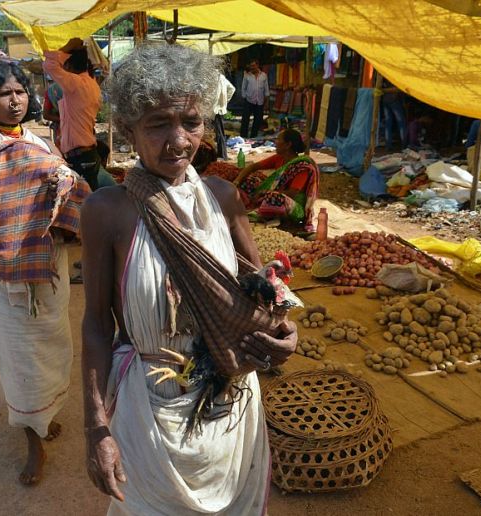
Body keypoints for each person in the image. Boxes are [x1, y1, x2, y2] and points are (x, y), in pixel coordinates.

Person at [80, 44, 297, 515]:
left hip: (232, 408)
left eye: (191, 122)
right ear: (128, 130)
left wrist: (285, 332)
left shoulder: (224, 197)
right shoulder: (106, 212)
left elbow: (262, 295)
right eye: (158, 123)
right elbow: (97, 326)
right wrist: (97, 427)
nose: (178, 141)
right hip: (151, 415)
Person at [0, 60, 91, 486]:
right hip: (0, 275)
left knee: (50, 348)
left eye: (20, 92)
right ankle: (33, 440)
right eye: (3, 93)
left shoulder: (43, 144)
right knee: (18, 356)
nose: (14, 101)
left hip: (47, 269)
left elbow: (70, 195)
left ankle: (44, 417)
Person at [43, 38, 102, 190]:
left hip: (81, 155)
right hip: (85, 153)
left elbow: (49, 64)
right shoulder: (91, 84)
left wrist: (67, 48)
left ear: (68, 65)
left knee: (82, 202)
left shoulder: (76, 83)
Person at [234, 128, 319, 229]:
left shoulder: (302, 166)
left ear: (288, 145)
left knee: (274, 197)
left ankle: (272, 217)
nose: (275, 142)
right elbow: (252, 167)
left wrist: (265, 193)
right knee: (249, 182)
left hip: (293, 207)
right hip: (272, 196)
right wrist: (236, 181)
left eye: (278, 139)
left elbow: (292, 193)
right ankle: (249, 208)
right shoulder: (278, 158)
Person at [239, 58, 269, 139]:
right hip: (249, 100)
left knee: (257, 120)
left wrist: (266, 102)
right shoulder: (247, 75)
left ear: (257, 65)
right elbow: (243, 88)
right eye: (251, 66)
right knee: (245, 119)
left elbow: (266, 89)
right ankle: (243, 136)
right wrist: (245, 97)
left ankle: (253, 136)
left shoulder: (264, 75)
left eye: (254, 66)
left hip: (259, 101)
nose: (252, 67)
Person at [212, 72, 235, 159]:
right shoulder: (221, 77)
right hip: (218, 109)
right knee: (219, 132)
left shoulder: (213, 77)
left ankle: (222, 154)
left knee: (218, 132)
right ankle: (221, 153)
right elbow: (232, 89)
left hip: (214, 109)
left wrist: (224, 102)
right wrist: (224, 102)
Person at [381, 80, 407, 151]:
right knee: (401, 123)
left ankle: (388, 145)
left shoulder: (385, 75)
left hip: (386, 100)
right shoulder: (395, 76)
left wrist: (383, 90)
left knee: (388, 124)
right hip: (394, 100)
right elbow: (397, 89)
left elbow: (382, 88)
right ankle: (404, 145)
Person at [42, 75, 63, 149]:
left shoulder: (51, 91)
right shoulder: (81, 86)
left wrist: (63, 120)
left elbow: (46, 115)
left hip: (61, 130)